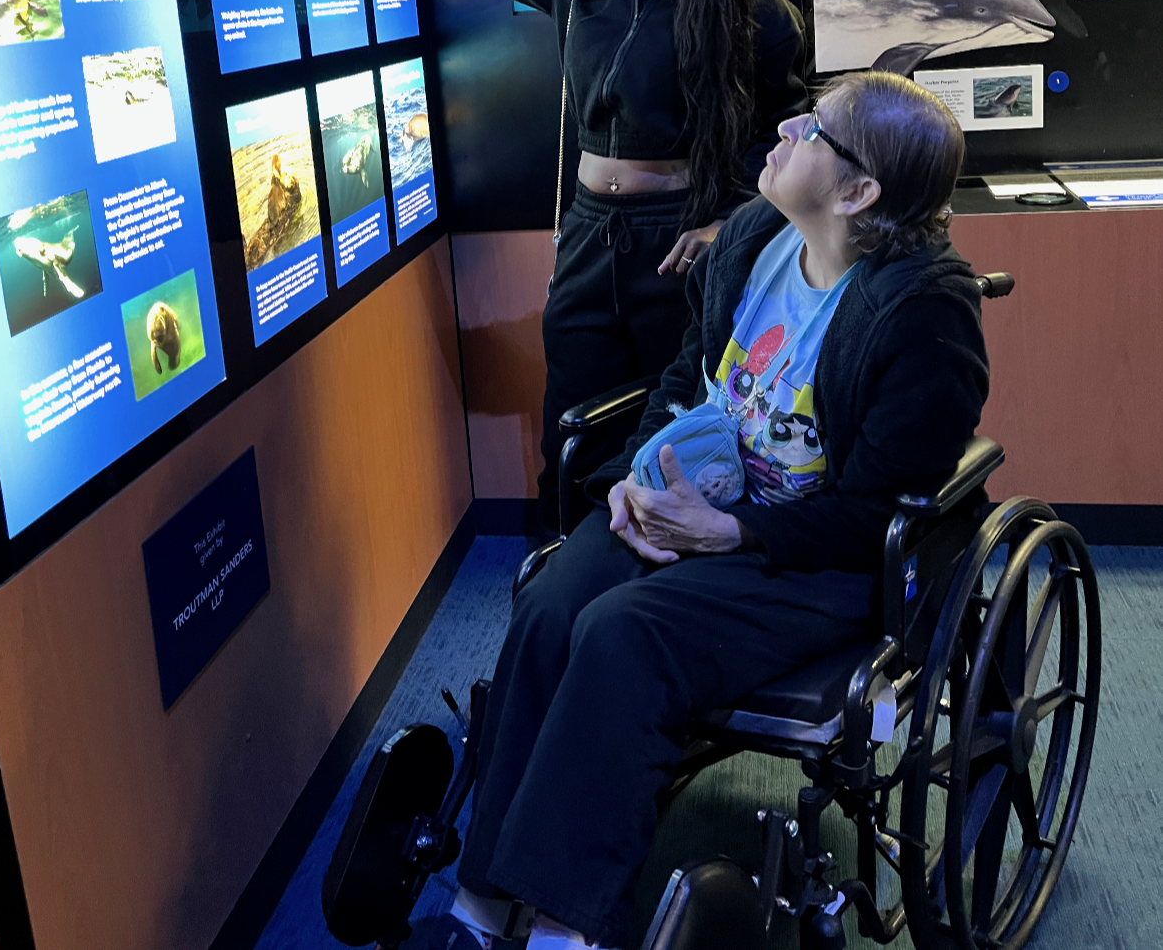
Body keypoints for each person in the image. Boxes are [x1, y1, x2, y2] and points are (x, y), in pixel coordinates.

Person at [408, 70, 990, 950]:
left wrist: (736, 530)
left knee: (621, 634)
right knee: (551, 604)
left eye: (813, 131)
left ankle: (567, 929)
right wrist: (636, 480)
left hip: (810, 560)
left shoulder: (922, 315)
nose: (786, 129)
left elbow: (875, 512)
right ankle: (482, 908)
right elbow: (687, 379)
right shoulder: (757, 236)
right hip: (700, 506)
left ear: (859, 191)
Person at [246, 0, 806, 530]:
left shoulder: (751, 5)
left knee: (675, 437)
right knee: (570, 432)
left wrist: (731, 225)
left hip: (681, 249)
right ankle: (557, 597)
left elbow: (788, 134)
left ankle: (646, 610)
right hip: (585, 243)